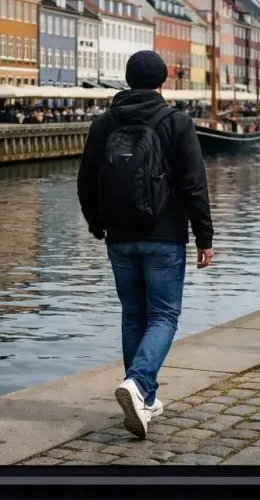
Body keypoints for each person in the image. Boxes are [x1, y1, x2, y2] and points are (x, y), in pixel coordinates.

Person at [77, 50, 213, 440]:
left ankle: (146, 400)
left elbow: (86, 180)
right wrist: (204, 236)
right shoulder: (177, 122)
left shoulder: (103, 124)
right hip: (164, 235)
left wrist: (95, 224)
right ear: (163, 82)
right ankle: (137, 384)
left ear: (126, 79)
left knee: (133, 315)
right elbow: (193, 185)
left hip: (119, 236)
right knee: (164, 316)